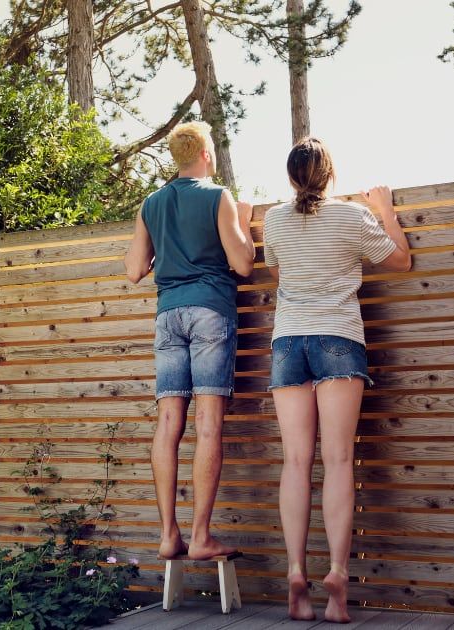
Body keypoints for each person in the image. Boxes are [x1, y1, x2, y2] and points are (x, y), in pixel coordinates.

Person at [261, 137, 412, 622]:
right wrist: (385, 210)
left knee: (296, 462)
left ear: (290, 178)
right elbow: (400, 261)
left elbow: (279, 270)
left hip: (288, 344)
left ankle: (295, 574)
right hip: (338, 339)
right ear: (331, 175)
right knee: (340, 459)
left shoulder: (276, 220)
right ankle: (339, 578)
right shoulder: (352, 217)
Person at [124, 121, 256, 561]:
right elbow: (243, 264)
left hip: (167, 316)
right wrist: (241, 222)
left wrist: (168, 239)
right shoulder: (216, 195)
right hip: (209, 310)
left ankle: (168, 536)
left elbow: (133, 269)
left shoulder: (151, 203)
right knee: (209, 424)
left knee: (167, 425)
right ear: (205, 155)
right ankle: (200, 537)